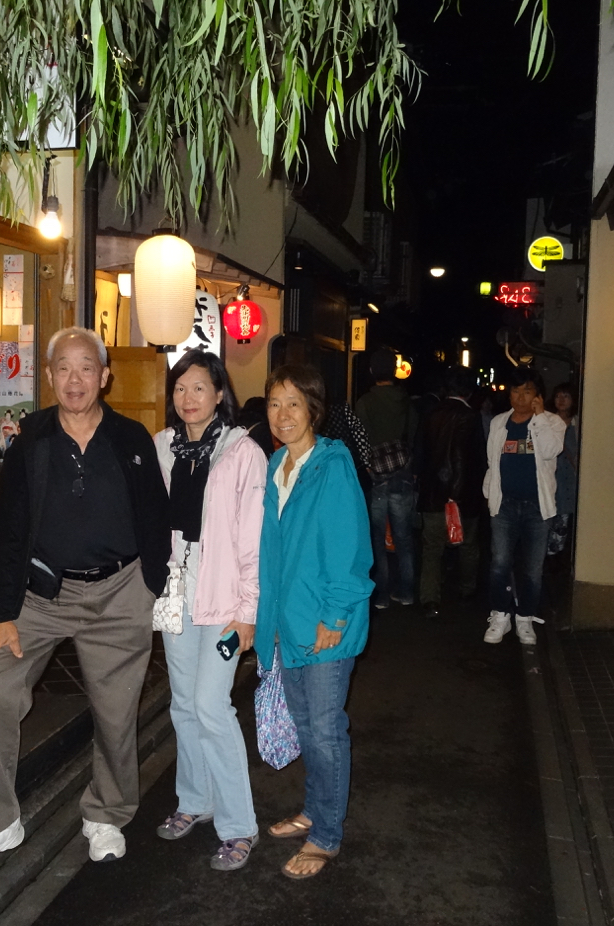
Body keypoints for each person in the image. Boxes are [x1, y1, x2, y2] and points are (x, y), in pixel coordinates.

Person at [0, 327, 170, 876]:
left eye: (86, 367)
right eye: (63, 368)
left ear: (104, 376)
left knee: (116, 712)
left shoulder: (131, 438)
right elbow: (8, 529)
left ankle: (107, 812)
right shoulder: (31, 440)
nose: (75, 379)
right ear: (49, 376)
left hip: (119, 592)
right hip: (41, 596)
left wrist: (153, 587)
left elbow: (155, 515)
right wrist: (1, 614)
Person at [256, 364, 374, 880]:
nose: (282, 415)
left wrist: (336, 614)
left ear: (313, 411)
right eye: (274, 403)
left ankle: (326, 835)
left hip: (325, 623)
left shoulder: (333, 465)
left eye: (293, 404)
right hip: (288, 621)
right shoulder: (276, 464)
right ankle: (313, 809)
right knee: (305, 725)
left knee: (325, 730)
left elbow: (350, 548)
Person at [152, 351, 266, 871]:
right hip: (177, 594)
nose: (188, 398)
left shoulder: (242, 453)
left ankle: (239, 826)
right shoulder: (162, 446)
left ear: (220, 393)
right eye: (180, 388)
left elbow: (252, 541)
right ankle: (195, 800)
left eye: (199, 388)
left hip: (225, 602)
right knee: (182, 704)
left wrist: (248, 612)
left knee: (211, 706)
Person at [482, 367, 566, 646]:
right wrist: (489, 495)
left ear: (538, 395)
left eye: (527, 391)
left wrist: (539, 418)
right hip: (504, 504)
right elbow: (492, 463)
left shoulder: (552, 422)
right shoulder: (499, 422)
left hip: (537, 507)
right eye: (515, 391)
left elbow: (551, 451)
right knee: (500, 563)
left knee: (532, 568)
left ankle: (525, 617)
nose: (520, 397)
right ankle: (500, 615)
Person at [415, 366, 485, 618]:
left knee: (432, 549)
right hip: (465, 494)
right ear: (470, 391)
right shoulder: (471, 417)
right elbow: (476, 459)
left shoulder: (430, 414)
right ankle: (467, 590)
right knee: (468, 545)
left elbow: (420, 453)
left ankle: (429, 600)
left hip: (433, 494)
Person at [355, 347, 418, 608]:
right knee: (404, 537)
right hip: (402, 472)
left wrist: (369, 468)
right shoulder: (407, 402)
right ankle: (407, 591)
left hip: (376, 475)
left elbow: (361, 440)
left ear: (372, 371)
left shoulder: (364, 402)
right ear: (395, 371)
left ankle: (380, 594)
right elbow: (412, 437)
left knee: (377, 538)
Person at [547, 383, 579, 557]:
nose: (561, 400)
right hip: (550, 477)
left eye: (566, 396)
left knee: (564, 521)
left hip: (569, 480)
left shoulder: (579, 423)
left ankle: (559, 556)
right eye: (558, 396)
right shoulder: (546, 422)